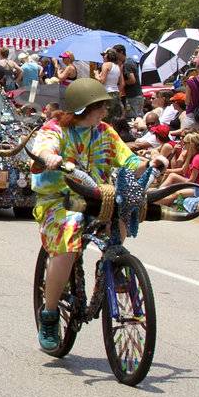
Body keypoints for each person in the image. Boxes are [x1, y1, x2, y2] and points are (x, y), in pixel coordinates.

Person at [31, 78, 145, 350]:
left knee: (120, 223)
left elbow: (128, 159)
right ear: (82, 109)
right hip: (58, 200)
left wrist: (146, 164)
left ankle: (113, 269)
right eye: (99, 107)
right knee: (69, 241)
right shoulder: (56, 128)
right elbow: (42, 147)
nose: (105, 112)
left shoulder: (105, 131)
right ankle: (49, 314)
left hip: (98, 200)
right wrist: (49, 157)